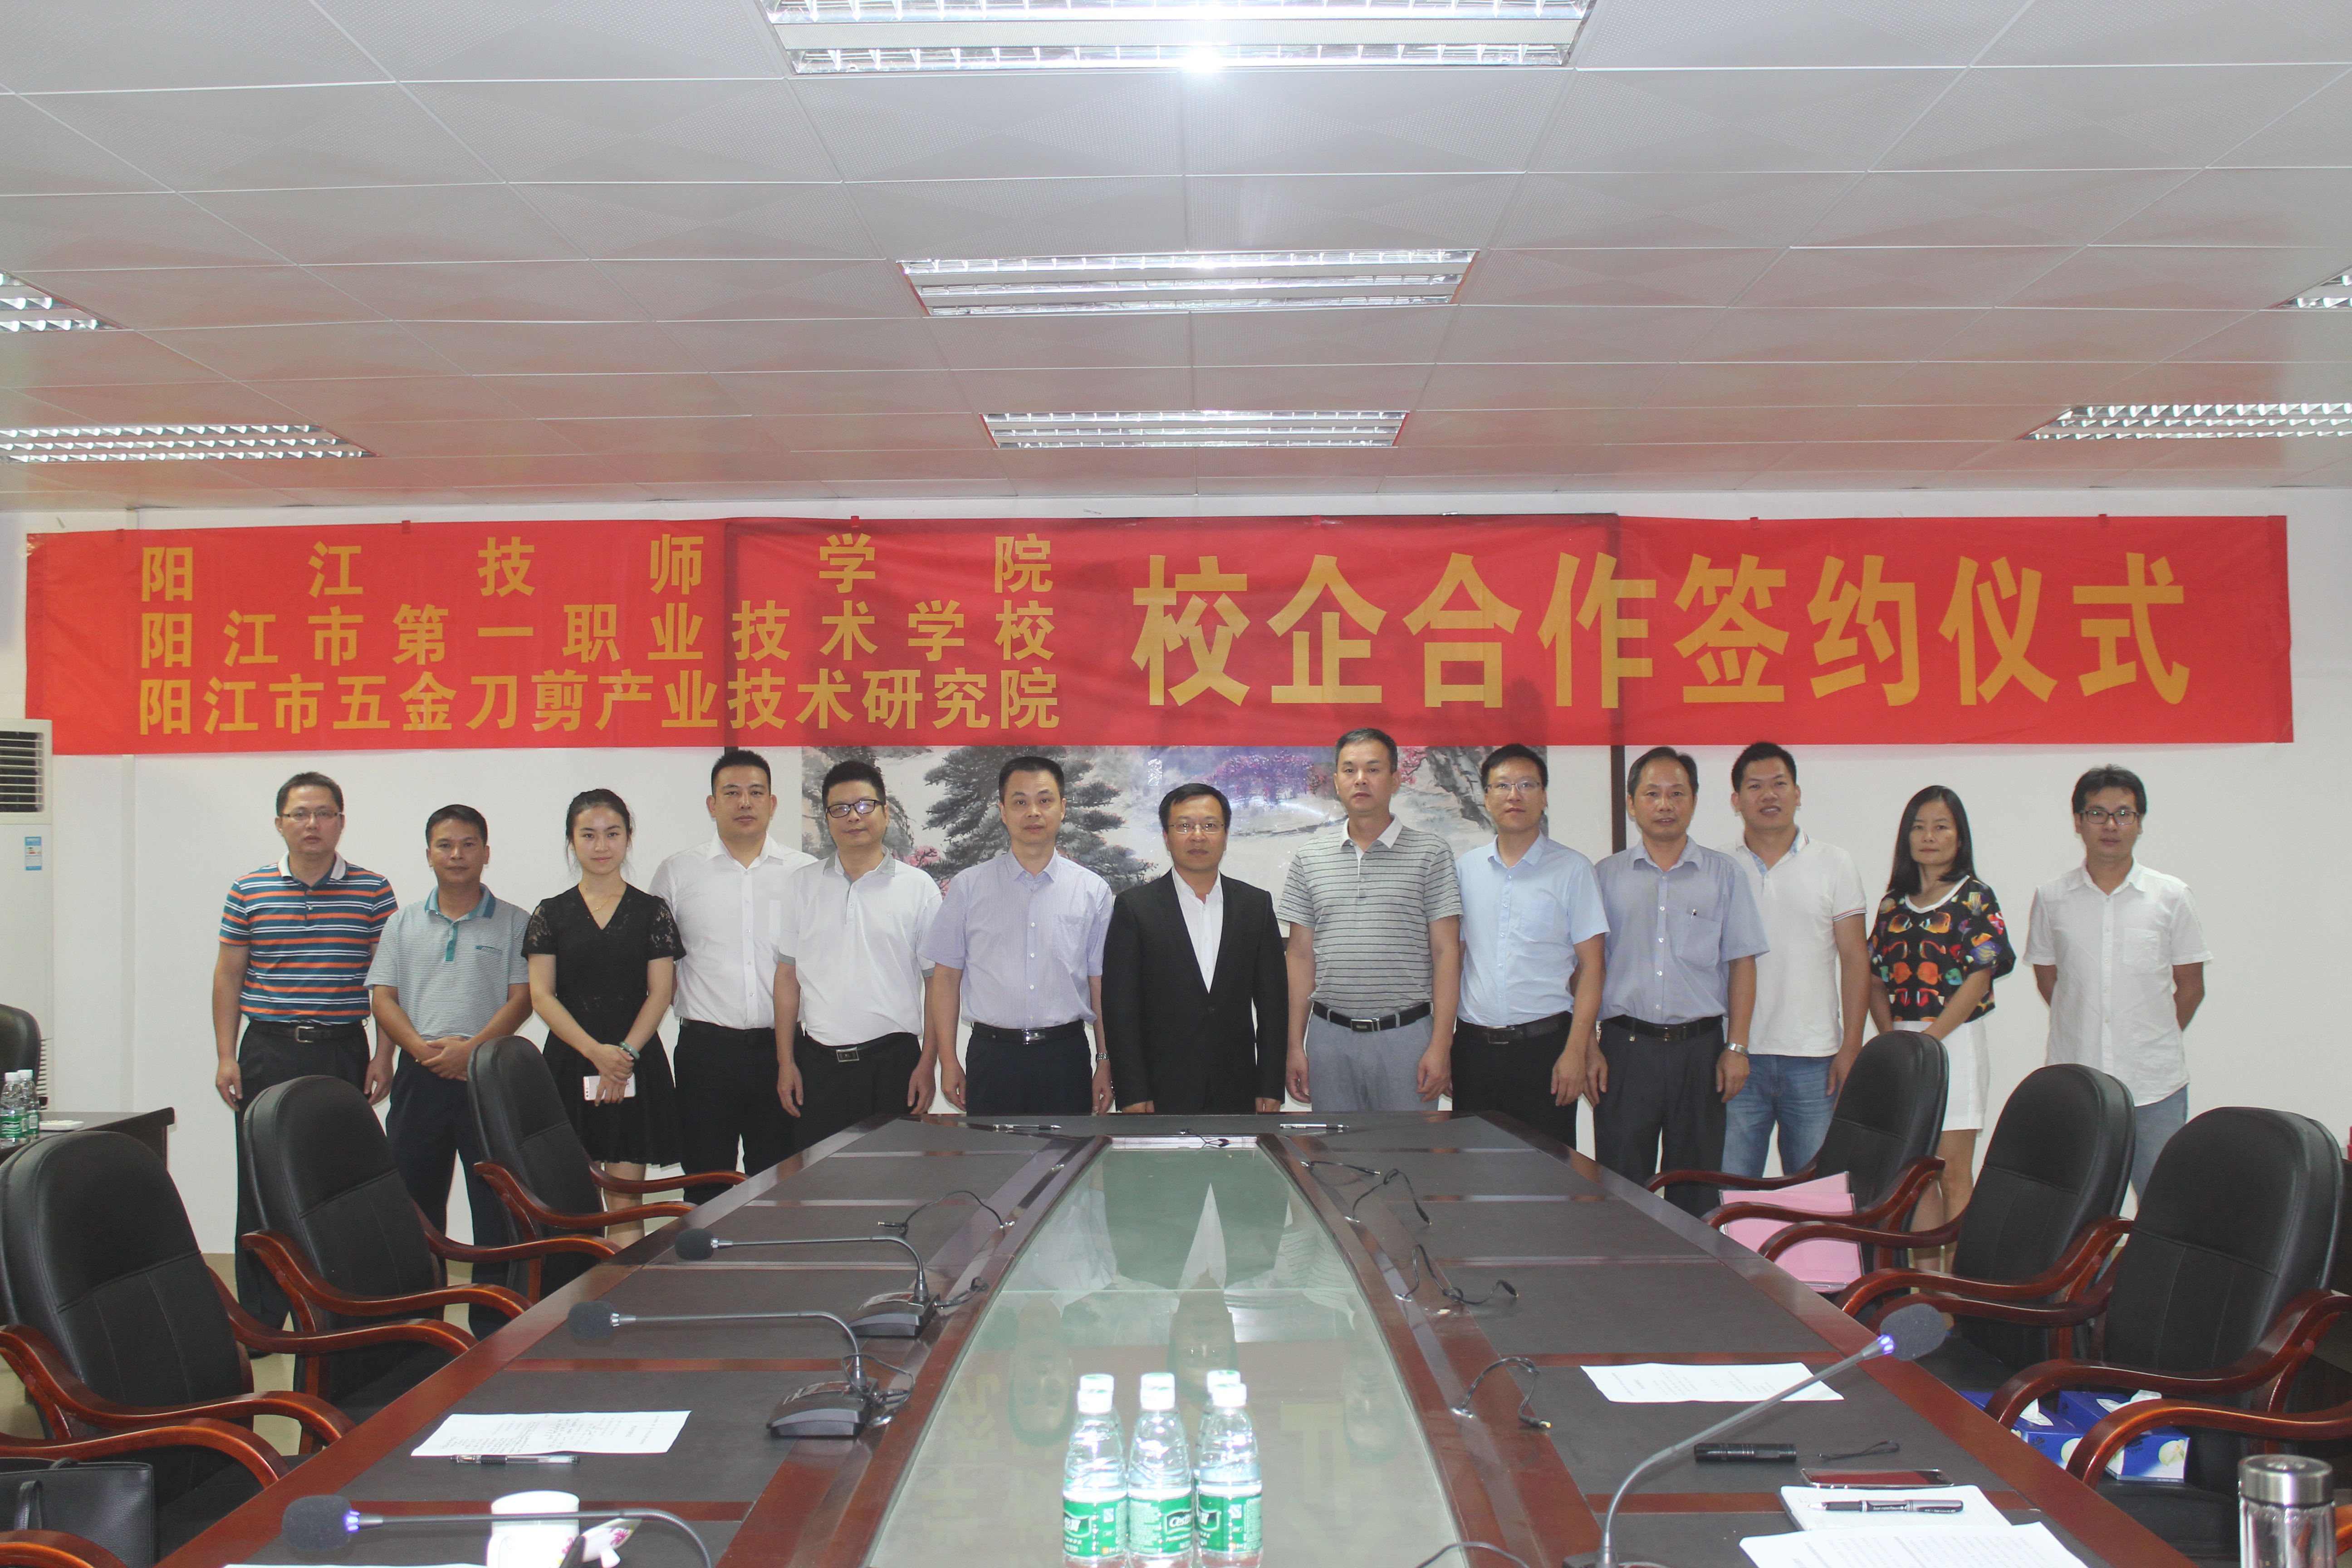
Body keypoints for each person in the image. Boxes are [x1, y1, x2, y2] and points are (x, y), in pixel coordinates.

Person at [213, 771, 398, 1328]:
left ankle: (339, 1311)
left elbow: (387, 983)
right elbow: (228, 976)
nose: (311, 824)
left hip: (342, 1050)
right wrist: (226, 1056)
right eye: (299, 814)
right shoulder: (249, 889)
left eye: (323, 813)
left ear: (341, 822)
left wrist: (383, 1055)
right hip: (267, 1051)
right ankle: (262, 1318)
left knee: (338, 1181)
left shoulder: (373, 890)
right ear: (280, 823)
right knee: (259, 1183)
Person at [366, 804, 531, 1335]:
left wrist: (472, 1051)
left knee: (497, 1205)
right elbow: (383, 998)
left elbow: (522, 998)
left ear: (486, 852)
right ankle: (418, 1326)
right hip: (420, 1077)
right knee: (413, 1205)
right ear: (429, 854)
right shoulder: (403, 921)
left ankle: (494, 1327)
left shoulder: (515, 922)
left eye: (468, 844)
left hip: (486, 1079)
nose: (457, 855)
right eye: (445, 845)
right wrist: (420, 1050)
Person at [1591, 746, 1767, 1217]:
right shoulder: (1605, 877)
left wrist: (1738, 1048)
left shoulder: (1724, 875)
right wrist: (1587, 1044)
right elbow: (1588, 969)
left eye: (1677, 793)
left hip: (1701, 1052)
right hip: (1625, 1051)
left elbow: (1742, 964)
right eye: (1652, 794)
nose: (1665, 804)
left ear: (1693, 801)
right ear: (1632, 804)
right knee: (1621, 1188)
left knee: (1697, 1189)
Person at [2025, 765, 2210, 1203]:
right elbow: (2049, 980)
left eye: (2124, 814)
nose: (2111, 825)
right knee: (2075, 1207)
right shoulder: (2052, 898)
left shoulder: (2171, 896)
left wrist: (2150, 1036)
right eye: (2097, 813)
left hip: (2154, 1086)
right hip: (2078, 1084)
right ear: (2078, 822)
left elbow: (2191, 987)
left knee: (2164, 1206)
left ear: (2140, 823)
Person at [649, 748, 813, 1203]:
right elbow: (658, 966)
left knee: (781, 1186)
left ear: (772, 804)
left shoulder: (804, 873)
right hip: (706, 1053)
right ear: (712, 804)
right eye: (732, 792)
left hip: (783, 1051)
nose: (745, 802)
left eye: (756, 793)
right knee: (705, 1185)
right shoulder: (677, 873)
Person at [524, 789, 684, 1244]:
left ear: (628, 838)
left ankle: (625, 1287)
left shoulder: (651, 911)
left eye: (612, 834)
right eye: (588, 835)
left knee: (625, 1200)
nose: (601, 846)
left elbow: (661, 991)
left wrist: (623, 1054)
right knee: (574, 1201)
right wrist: (596, 1053)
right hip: (571, 1061)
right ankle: (579, 1289)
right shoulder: (551, 913)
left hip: (634, 1063)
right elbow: (542, 996)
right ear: (571, 841)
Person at [1277, 729, 1463, 1112]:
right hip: (1329, 1039)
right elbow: (1299, 956)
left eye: (1373, 769)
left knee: (1408, 1148)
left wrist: (1441, 1044)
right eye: (1350, 770)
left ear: (1396, 779)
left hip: (1408, 1038)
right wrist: (1295, 1044)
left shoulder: (1431, 853)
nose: (1360, 779)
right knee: (1335, 1151)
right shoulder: (1310, 858)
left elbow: (1447, 953)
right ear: (1336, 781)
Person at [1867, 784, 2014, 1262]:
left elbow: (1980, 976)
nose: (1929, 837)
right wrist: (1894, 1041)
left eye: (1941, 827)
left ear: (1959, 837)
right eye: (1919, 827)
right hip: (1907, 1050)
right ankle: (1927, 1286)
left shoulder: (1975, 898)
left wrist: (1929, 1041)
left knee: (1953, 1173)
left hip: (1956, 1045)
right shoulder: (1893, 904)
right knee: (1916, 1177)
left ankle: (1958, 1288)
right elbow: (1874, 977)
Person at [922, 755, 1115, 1115]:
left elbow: (1099, 983)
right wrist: (948, 1060)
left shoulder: (1093, 891)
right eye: (1020, 802)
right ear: (1003, 811)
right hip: (992, 1057)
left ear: (1063, 808)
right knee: (992, 1153)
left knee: (1069, 1152)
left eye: (1045, 800)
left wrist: (1104, 1060)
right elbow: (946, 978)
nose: (1033, 813)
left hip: (1066, 1057)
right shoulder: (968, 887)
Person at [1719, 743, 1871, 1180]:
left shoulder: (1835, 864)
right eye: (1755, 787)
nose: (1769, 795)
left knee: (1814, 1194)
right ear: (1736, 800)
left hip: (1815, 1059)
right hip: (1738, 1057)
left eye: (1779, 784)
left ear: (1798, 794)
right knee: (1731, 1190)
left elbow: (1855, 960)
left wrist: (1852, 1047)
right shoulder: (1720, 867)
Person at [775, 759, 943, 1150]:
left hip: (895, 1064)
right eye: (840, 809)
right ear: (827, 819)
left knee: (897, 1177)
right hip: (818, 1066)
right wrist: (786, 1062)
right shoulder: (802, 885)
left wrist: (927, 1063)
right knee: (820, 1179)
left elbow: (937, 984)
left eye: (865, 805)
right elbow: (787, 977)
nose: (854, 817)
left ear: (886, 813)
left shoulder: (919, 888)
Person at [1452, 745, 1605, 1151]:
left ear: (1544, 796)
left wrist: (1576, 1050)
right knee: (1473, 1171)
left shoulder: (1573, 870)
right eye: (1502, 786)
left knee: (1549, 1174)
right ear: (1486, 798)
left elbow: (1592, 967)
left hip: (1546, 1050)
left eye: (1526, 785)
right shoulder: (1464, 870)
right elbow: (1454, 961)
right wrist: (1446, 1044)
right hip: (1474, 1051)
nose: (1514, 795)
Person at [1102, 782, 1288, 1115]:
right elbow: (1121, 1009)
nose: (1198, 836)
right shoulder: (1135, 908)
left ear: (1226, 834)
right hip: (1160, 1088)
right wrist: (1132, 1091)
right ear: (1166, 836)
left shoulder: (1255, 906)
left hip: (1239, 1086)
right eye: (1185, 826)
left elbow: (1273, 1005)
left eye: (1210, 825)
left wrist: (1270, 1084)